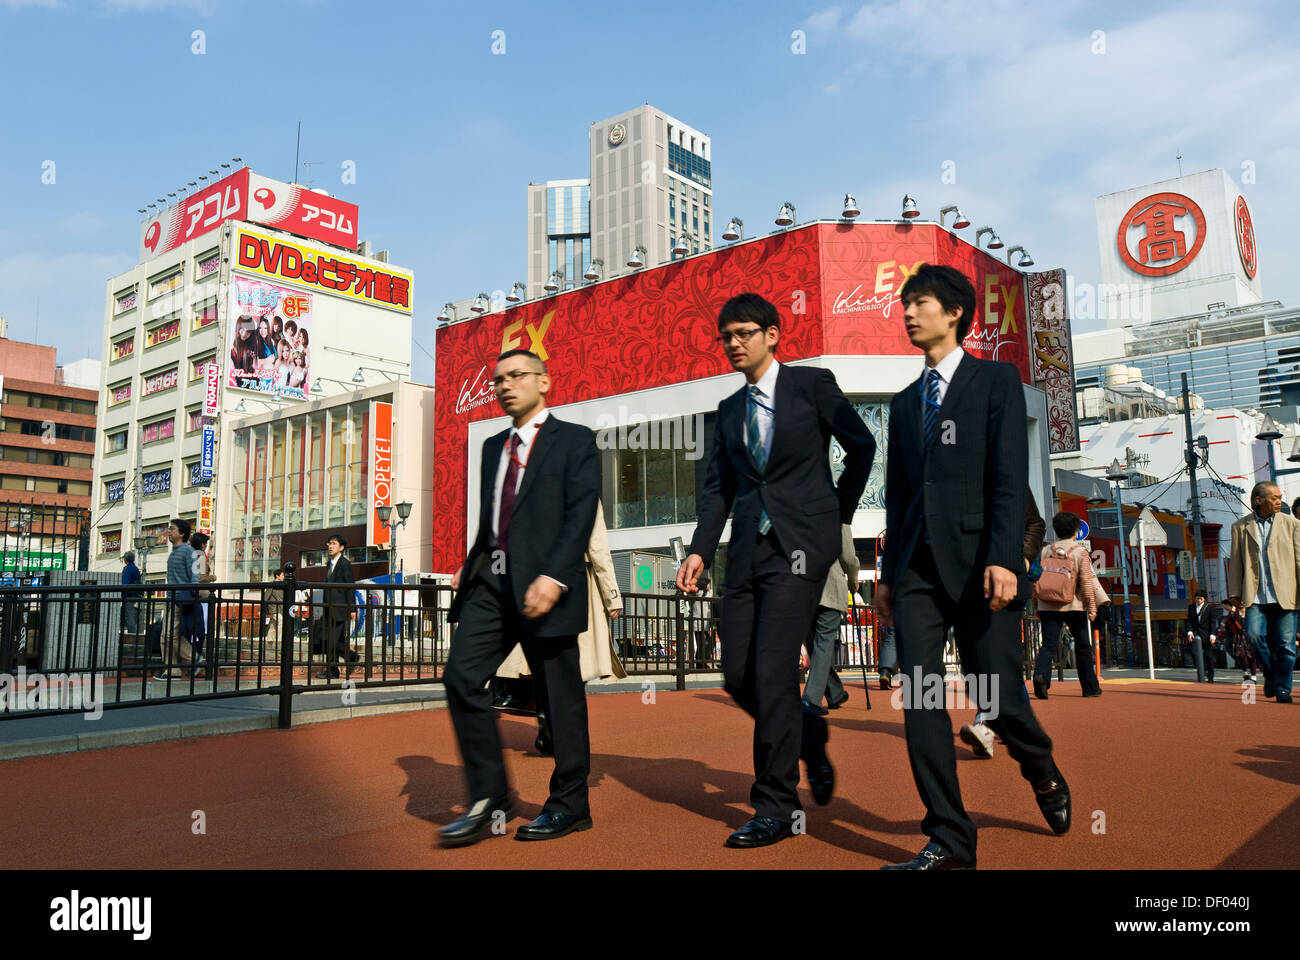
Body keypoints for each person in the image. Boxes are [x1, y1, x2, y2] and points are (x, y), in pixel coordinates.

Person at [874, 264, 1069, 870]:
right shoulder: (904, 403)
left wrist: (1006, 560)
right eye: (904, 305)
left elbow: (1010, 478)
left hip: (983, 568)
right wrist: (886, 575)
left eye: (919, 303)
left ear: (954, 312)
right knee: (922, 699)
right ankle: (951, 839)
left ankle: (1040, 765)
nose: (907, 313)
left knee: (1002, 698)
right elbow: (900, 496)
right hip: (917, 576)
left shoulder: (995, 381)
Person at [676, 292, 876, 849]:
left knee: (772, 673)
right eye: (726, 337)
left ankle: (776, 806)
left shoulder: (812, 387)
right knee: (736, 674)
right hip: (745, 553)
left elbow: (861, 446)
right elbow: (718, 488)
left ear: (772, 334)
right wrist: (698, 549)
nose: (734, 344)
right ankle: (808, 732)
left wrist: (836, 514)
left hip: (799, 550)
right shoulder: (729, 412)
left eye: (744, 333)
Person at [440, 348, 601, 847]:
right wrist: (470, 572)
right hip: (492, 582)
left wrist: (555, 576)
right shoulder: (492, 446)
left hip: (546, 586)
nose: (506, 385)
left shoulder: (575, 440)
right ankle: (491, 796)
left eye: (517, 376)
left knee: (559, 698)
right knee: (461, 677)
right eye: (497, 380)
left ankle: (571, 804)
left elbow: (580, 514)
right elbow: (494, 520)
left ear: (545, 382)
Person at [496, 502, 626, 756]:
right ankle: (565, 739)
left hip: (536, 583)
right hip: (577, 587)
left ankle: (548, 728)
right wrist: (612, 596)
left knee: (544, 664)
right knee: (573, 668)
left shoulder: (535, 488)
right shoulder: (583, 488)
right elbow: (598, 548)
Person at [960, 490, 1049, 757]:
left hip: (1006, 583)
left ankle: (986, 723)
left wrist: (1018, 561)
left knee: (993, 659)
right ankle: (1018, 723)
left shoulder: (1002, 465)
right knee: (993, 662)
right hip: (966, 583)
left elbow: (1035, 523)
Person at [1227, 480, 1300, 703]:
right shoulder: (1240, 526)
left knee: (1286, 646)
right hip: (1255, 595)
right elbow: (1237, 562)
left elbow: (1299, 560)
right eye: (1274, 498)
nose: (1279, 501)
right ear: (1259, 501)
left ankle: (1283, 688)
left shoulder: (1292, 525)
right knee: (1253, 636)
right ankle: (1270, 672)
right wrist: (1235, 593)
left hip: (1286, 594)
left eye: (1280, 497)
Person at [1031, 511, 1101, 699]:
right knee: (1082, 646)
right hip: (1074, 605)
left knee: (1048, 645)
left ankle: (1041, 676)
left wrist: (1037, 604)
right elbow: (1086, 582)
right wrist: (1092, 606)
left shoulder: (1045, 551)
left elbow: (1035, 578)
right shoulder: (1080, 552)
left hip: (1047, 605)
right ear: (1076, 530)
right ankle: (1090, 687)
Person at [803, 524, 859, 715]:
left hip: (805, 589)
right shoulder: (838, 514)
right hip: (830, 588)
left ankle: (835, 692)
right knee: (822, 645)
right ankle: (811, 699)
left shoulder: (796, 513)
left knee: (815, 645)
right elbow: (848, 558)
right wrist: (853, 581)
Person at [156, 518, 198, 681]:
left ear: (181, 533)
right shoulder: (174, 551)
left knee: (169, 635)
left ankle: (193, 659)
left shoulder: (188, 551)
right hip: (171, 598)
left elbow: (194, 575)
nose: (169, 531)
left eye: (172, 529)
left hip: (181, 598)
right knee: (165, 636)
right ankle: (171, 670)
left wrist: (191, 594)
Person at [317, 535, 358, 679]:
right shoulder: (329, 564)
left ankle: (333, 670)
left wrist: (352, 609)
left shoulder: (345, 564)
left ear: (341, 547)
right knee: (333, 640)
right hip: (329, 608)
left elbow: (350, 587)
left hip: (340, 609)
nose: (330, 546)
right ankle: (350, 658)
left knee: (332, 641)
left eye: (334, 544)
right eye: (329, 543)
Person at [188, 532, 217, 678]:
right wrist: (211, 577)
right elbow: (198, 577)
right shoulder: (199, 555)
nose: (206, 547)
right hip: (202, 597)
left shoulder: (191, 554)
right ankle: (195, 662)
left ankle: (193, 663)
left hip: (196, 597)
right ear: (201, 544)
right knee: (200, 632)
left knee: (196, 632)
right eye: (206, 544)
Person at [1186, 590, 1220, 682]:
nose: (1198, 600)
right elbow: (1189, 621)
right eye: (1197, 598)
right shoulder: (1191, 607)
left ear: (1204, 599)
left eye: (1200, 599)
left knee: (1209, 656)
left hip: (1207, 634)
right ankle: (1202, 669)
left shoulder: (1210, 608)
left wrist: (1213, 635)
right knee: (1193, 652)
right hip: (1195, 633)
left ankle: (1210, 675)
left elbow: (1213, 622)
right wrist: (1189, 631)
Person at [1220, 599, 1257, 683]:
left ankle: (1254, 675)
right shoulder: (1233, 614)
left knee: (1251, 656)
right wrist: (1225, 625)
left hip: (1249, 636)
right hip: (1238, 637)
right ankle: (1245, 672)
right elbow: (1233, 625)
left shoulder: (1250, 613)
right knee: (1241, 655)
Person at [120, 551, 142, 635]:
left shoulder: (127, 569)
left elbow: (124, 583)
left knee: (129, 615)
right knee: (131, 613)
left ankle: (131, 634)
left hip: (128, 594)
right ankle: (134, 632)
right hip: (135, 594)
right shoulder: (135, 568)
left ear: (126, 560)